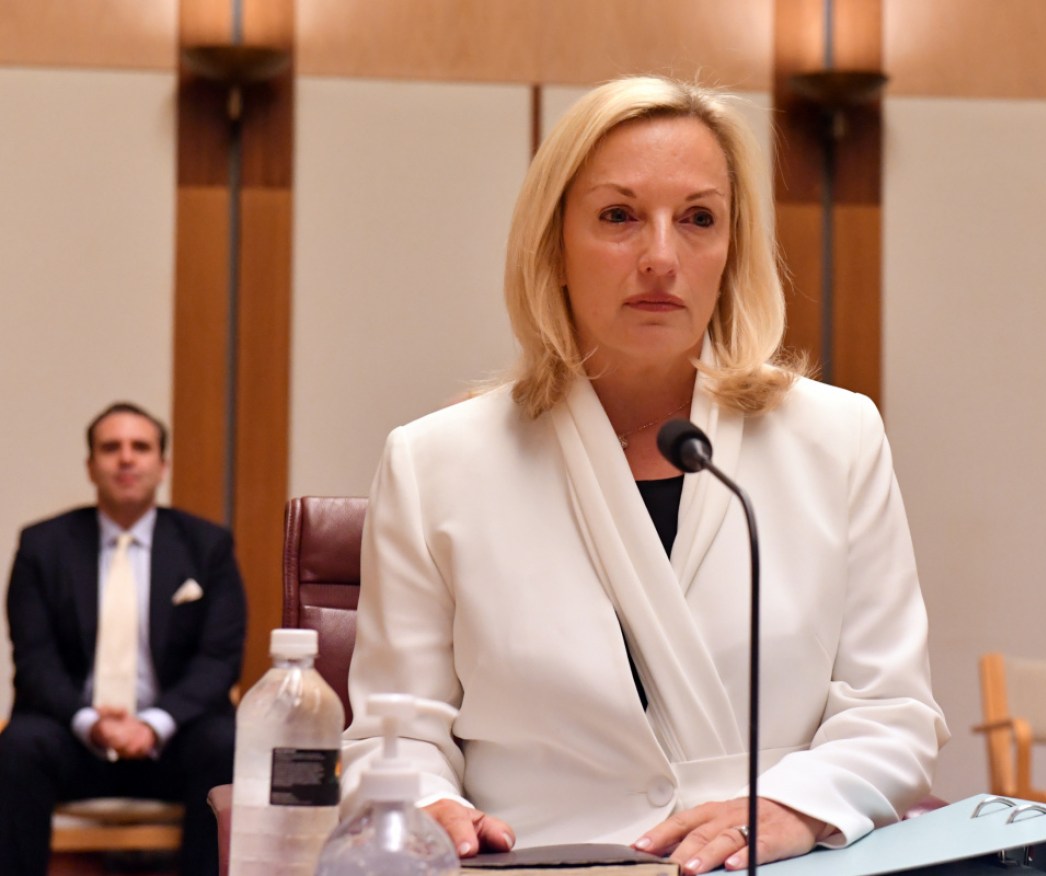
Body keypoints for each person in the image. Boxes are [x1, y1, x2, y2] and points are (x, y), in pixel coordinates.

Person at [341, 76, 948, 874]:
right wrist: (427, 805)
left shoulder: (836, 438)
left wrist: (792, 810)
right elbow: (396, 733)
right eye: (618, 217)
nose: (661, 257)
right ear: (552, 245)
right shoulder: (436, 463)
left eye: (698, 219)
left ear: (732, 251)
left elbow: (892, 713)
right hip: (541, 861)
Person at [0, 402, 247, 876]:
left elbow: (219, 660)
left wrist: (152, 724)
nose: (126, 459)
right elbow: (34, 661)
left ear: (163, 465)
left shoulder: (207, 545)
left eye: (141, 447)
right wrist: (92, 722)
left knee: (225, 741)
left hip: (171, 740)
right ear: (91, 466)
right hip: (74, 738)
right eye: (111, 448)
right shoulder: (41, 545)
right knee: (18, 745)